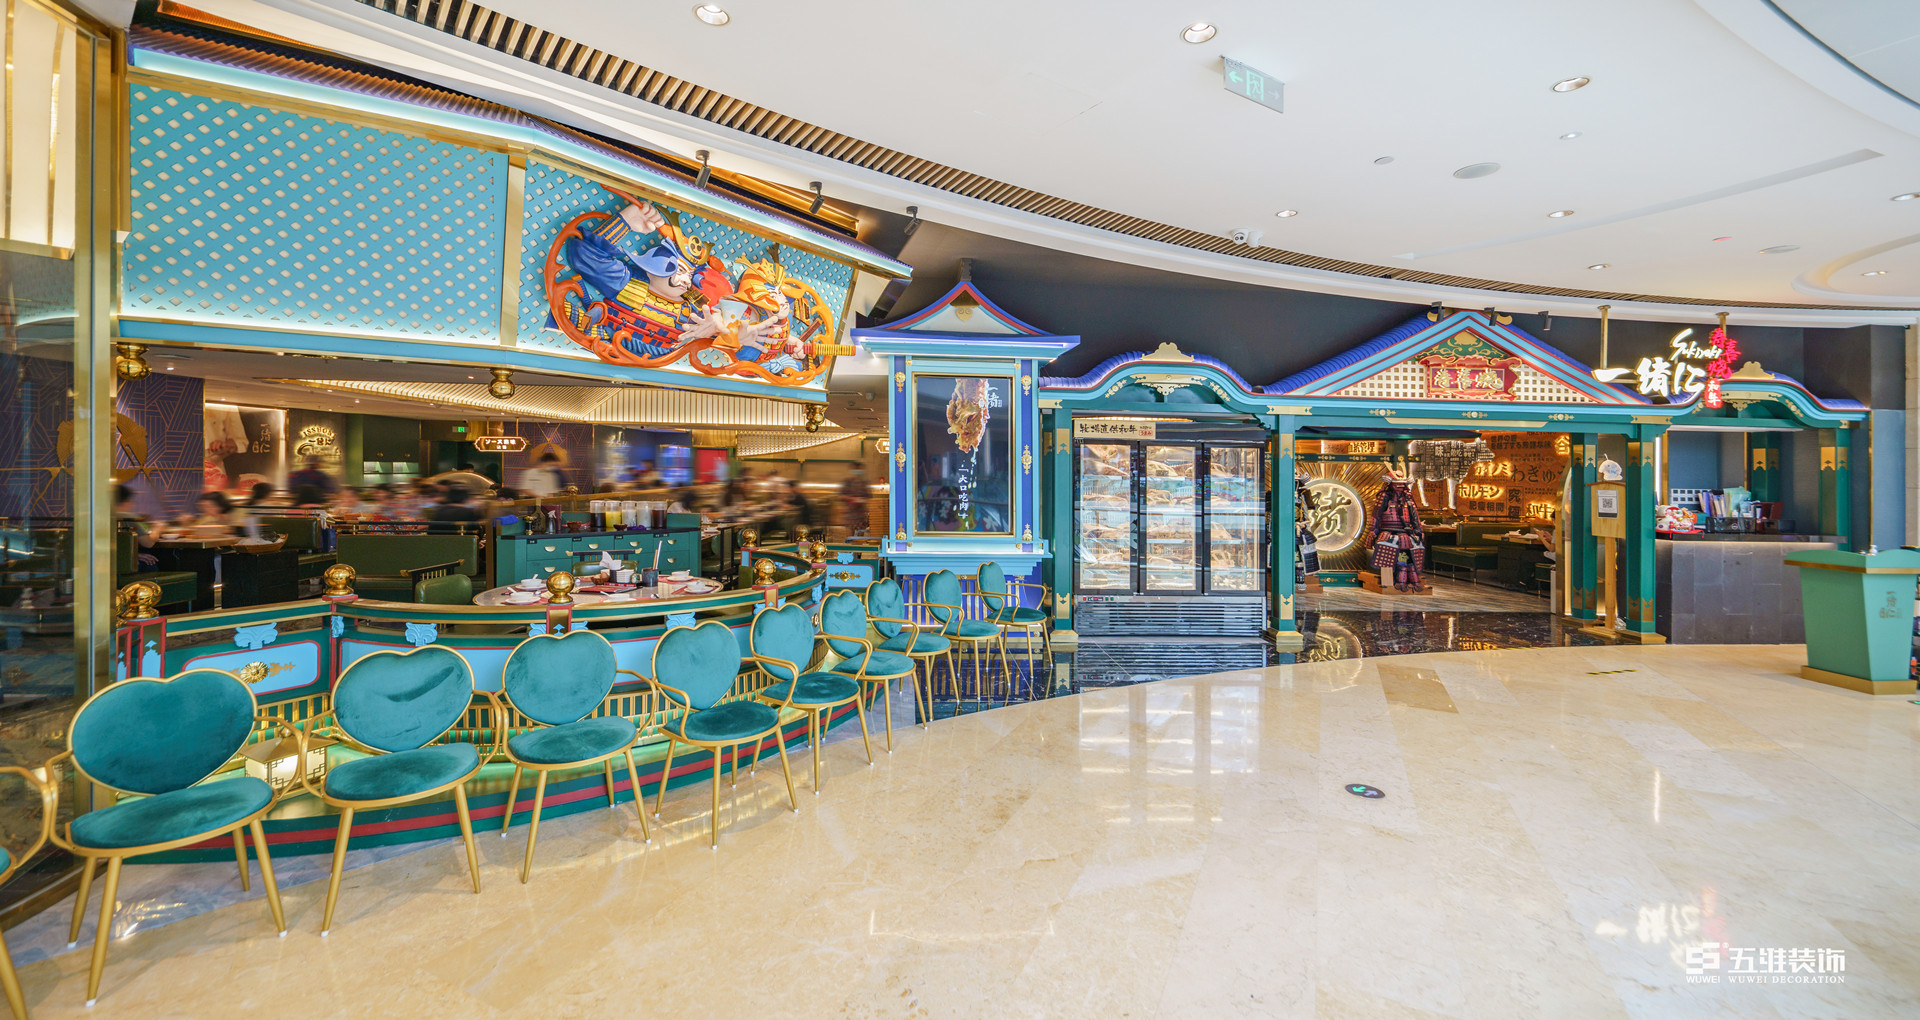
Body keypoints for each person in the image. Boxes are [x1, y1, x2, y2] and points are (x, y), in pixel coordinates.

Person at [114, 484, 160, 567]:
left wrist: (136, 555)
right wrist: (157, 529)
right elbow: (148, 543)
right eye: (131, 501)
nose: (132, 504)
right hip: (120, 565)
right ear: (125, 502)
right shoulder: (126, 517)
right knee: (151, 563)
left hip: (106, 563)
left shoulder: (99, 517)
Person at [184, 490, 260, 538]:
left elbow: (237, 530)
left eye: (208, 506)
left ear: (220, 505)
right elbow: (196, 529)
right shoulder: (211, 517)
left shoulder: (239, 512)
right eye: (203, 506)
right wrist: (187, 523)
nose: (205, 509)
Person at [840, 465, 871, 533]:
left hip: (860, 515)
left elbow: (868, 498)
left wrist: (862, 500)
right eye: (856, 469)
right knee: (849, 535)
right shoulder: (847, 482)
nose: (858, 471)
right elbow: (841, 496)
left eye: (859, 469)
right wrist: (851, 499)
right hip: (849, 515)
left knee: (860, 535)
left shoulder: (864, 483)